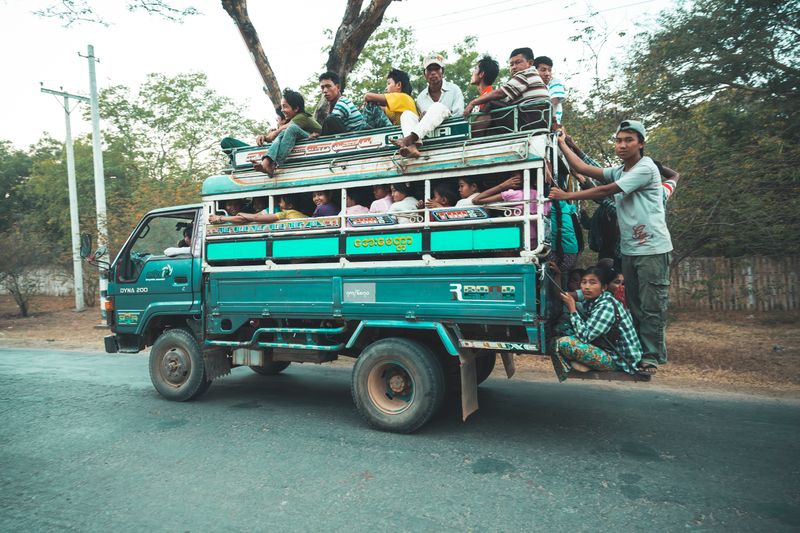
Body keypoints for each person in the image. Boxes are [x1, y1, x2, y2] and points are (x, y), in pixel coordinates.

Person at [551, 120, 673, 374]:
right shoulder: (621, 170)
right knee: (636, 304)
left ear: (641, 143)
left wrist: (568, 196)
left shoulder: (646, 168)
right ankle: (639, 352)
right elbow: (584, 167)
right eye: (618, 140)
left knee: (652, 306)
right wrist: (563, 143)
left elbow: (605, 190)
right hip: (630, 250)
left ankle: (652, 356)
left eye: (629, 140)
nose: (622, 145)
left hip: (652, 249)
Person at [554, 266, 643, 380]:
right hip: (608, 350)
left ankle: (599, 365)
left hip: (621, 360)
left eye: (593, 283)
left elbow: (585, 337)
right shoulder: (595, 299)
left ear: (604, 287)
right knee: (562, 329)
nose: (587, 287)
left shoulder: (606, 305)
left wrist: (572, 308)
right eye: (584, 282)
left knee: (563, 343)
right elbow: (562, 295)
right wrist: (558, 275)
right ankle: (587, 363)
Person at [392, 54, 465, 158]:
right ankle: (412, 147)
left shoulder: (454, 89)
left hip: (450, 131)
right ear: (425, 74)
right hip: (428, 135)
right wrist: (423, 117)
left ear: (442, 72)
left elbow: (459, 115)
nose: (433, 73)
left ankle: (408, 139)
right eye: (429, 70)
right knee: (406, 114)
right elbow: (421, 122)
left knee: (437, 107)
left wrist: (435, 114)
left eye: (436, 69)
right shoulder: (420, 98)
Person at [463, 47, 549, 131]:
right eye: (511, 64)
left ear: (530, 63)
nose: (514, 67)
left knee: (491, 104)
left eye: (518, 62)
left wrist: (473, 102)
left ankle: (472, 138)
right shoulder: (532, 78)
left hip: (531, 120)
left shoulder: (526, 74)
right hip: (535, 119)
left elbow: (499, 93)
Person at [253, 89, 322, 177]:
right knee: (283, 133)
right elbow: (278, 134)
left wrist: (266, 137)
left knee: (290, 129)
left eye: (285, 106)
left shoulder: (301, 116)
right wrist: (265, 137)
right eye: (281, 107)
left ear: (296, 108)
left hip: (320, 140)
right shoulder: (294, 119)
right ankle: (267, 162)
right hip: (308, 138)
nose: (282, 110)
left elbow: (275, 134)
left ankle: (273, 164)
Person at [472, 172, 550, 247]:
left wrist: (503, 185)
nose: (511, 178)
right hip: (538, 241)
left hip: (518, 239)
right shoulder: (541, 196)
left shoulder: (514, 194)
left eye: (513, 175)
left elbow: (476, 200)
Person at [209, 194, 308, 224]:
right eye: (229, 205)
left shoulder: (283, 212)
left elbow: (255, 218)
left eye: (258, 203)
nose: (254, 206)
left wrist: (220, 218)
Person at [468, 55, 500, 136]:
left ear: (481, 74)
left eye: (475, 69)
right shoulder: (483, 97)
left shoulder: (489, 99)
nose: (472, 73)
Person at [533, 56, 567, 126]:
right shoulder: (533, 85)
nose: (547, 74)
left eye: (549, 70)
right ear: (534, 71)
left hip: (551, 123)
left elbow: (554, 102)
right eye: (543, 70)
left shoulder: (554, 82)